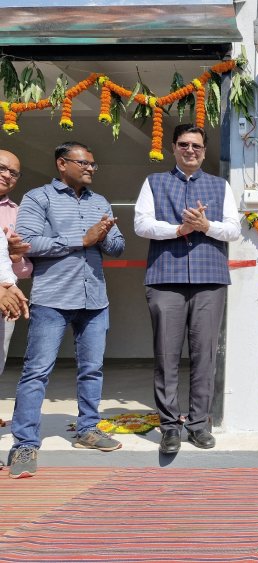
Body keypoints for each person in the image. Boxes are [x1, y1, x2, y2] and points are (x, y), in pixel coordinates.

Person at [7, 141, 125, 479]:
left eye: (93, 164)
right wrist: (81, 239)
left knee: (92, 369)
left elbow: (117, 246)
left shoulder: (99, 201)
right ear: (62, 164)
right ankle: (25, 443)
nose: (90, 168)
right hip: (53, 299)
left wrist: (104, 236)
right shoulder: (38, 198)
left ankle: (88, 428)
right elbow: (27, 241)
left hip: (95, 300)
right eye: (83, 162)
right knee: (36, 372)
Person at [134, 124, 240, 455]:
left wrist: (206, 226)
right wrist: (180, 229)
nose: (190, 150)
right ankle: (168, 427)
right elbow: (142, 224)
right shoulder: (154, 182)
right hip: (165, 278)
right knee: (166, 355)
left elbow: (234, 230)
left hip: (209, 279)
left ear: (205, 151)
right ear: (174, 148)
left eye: (196, 145)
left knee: (204, 355)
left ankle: (198, 424)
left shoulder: (220, 186)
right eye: (183, 144)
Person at [0, 150, 33, 374]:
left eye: (14, 173)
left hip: (5, 301)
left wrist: (15, 257)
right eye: (2, 168)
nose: (7, 175)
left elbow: (24, 271)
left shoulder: (18, 214)